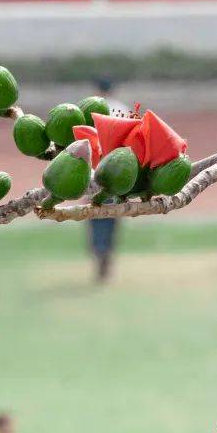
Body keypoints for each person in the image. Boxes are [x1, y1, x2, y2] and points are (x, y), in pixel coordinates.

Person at [86, 77, 129, 283]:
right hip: (118, 174)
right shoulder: (122, 109)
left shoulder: (90, 111)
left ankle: (99, 253)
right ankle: (107, 254)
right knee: (112, 217)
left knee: (95, 217)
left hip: (95, 173)